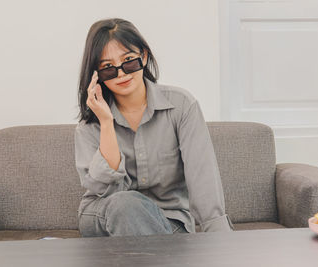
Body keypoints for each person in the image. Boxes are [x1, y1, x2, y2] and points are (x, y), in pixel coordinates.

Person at [74, 17, 234, 237]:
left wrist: (220, 240)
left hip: (169, 221)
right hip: (105, 216)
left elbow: (202, 175)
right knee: (126, 205)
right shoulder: (90, 124)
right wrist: (107, 122)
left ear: (144, 56)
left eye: (129, 60)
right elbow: (106, 191)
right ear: (96, 75)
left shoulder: (181, 106)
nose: (121, 73)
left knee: (148, 226)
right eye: (108, 68)